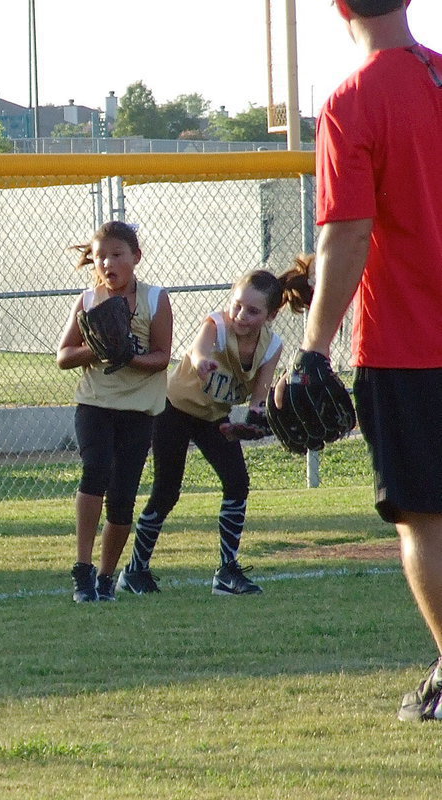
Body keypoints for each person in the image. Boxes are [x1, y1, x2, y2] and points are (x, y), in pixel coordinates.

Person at [276, 0, 442, 720]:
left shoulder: (352, 100)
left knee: (424, 520)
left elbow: (348, 235)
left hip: (409, 344)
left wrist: (313, 347)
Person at [116, 256, 314, 597]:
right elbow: (198, 350)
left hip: (213, 418)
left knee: (237, 482)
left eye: (253, 311)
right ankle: (134, 571)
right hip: (173, 410)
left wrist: (256, 422)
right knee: (167, 490)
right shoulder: (218, 325)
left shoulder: (272, 346)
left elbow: (259, 398)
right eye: (237, 306)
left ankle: (227, 571)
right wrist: (201, 361)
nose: (241, 316)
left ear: (271, 315)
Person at [57, 221, 173, 603]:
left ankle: (106, 577)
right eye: (100, 256)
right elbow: (64, 357)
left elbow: (161, 358)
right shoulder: (89, 300)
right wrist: (99, 347)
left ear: (136, 258)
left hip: (139, 411)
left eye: (117, 254)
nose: (108, 262)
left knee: (122, 496)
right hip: (96, 404)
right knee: (96, 470)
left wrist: (128, 354)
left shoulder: (156, 299)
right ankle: (83, 569)